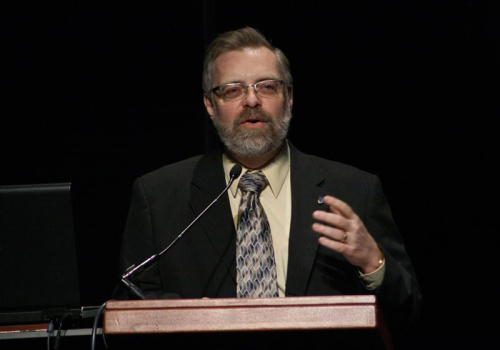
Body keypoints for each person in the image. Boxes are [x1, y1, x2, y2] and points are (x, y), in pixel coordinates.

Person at [113, 26, 422, 343]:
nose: (251, 100)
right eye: (233, 90)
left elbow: (409, 315)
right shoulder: (159, 194)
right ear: (210, 104)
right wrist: (187, 316)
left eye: (267, 87)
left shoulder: (355, 189)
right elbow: (128, 310)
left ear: (289, 98)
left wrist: (373, 263)